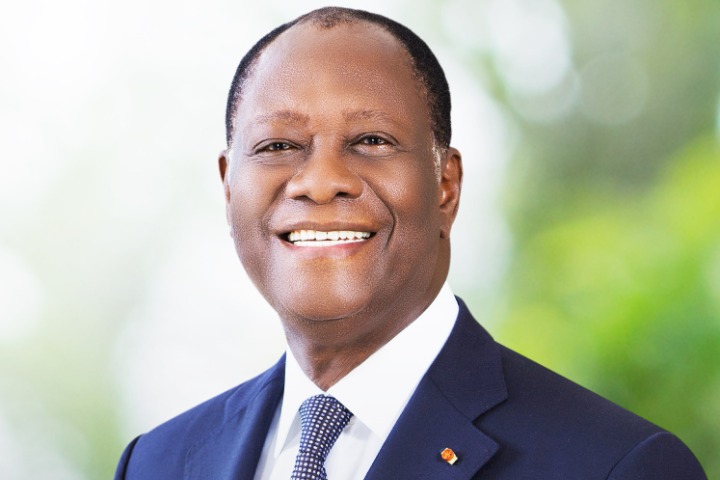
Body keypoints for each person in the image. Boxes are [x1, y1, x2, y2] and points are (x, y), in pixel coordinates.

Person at [114, 7, 707, 479]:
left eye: (371, 140)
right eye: (278, 146)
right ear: (227, 187)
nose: (320, 181)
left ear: (445, 185)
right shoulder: (156, 464)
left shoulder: (616, 465)